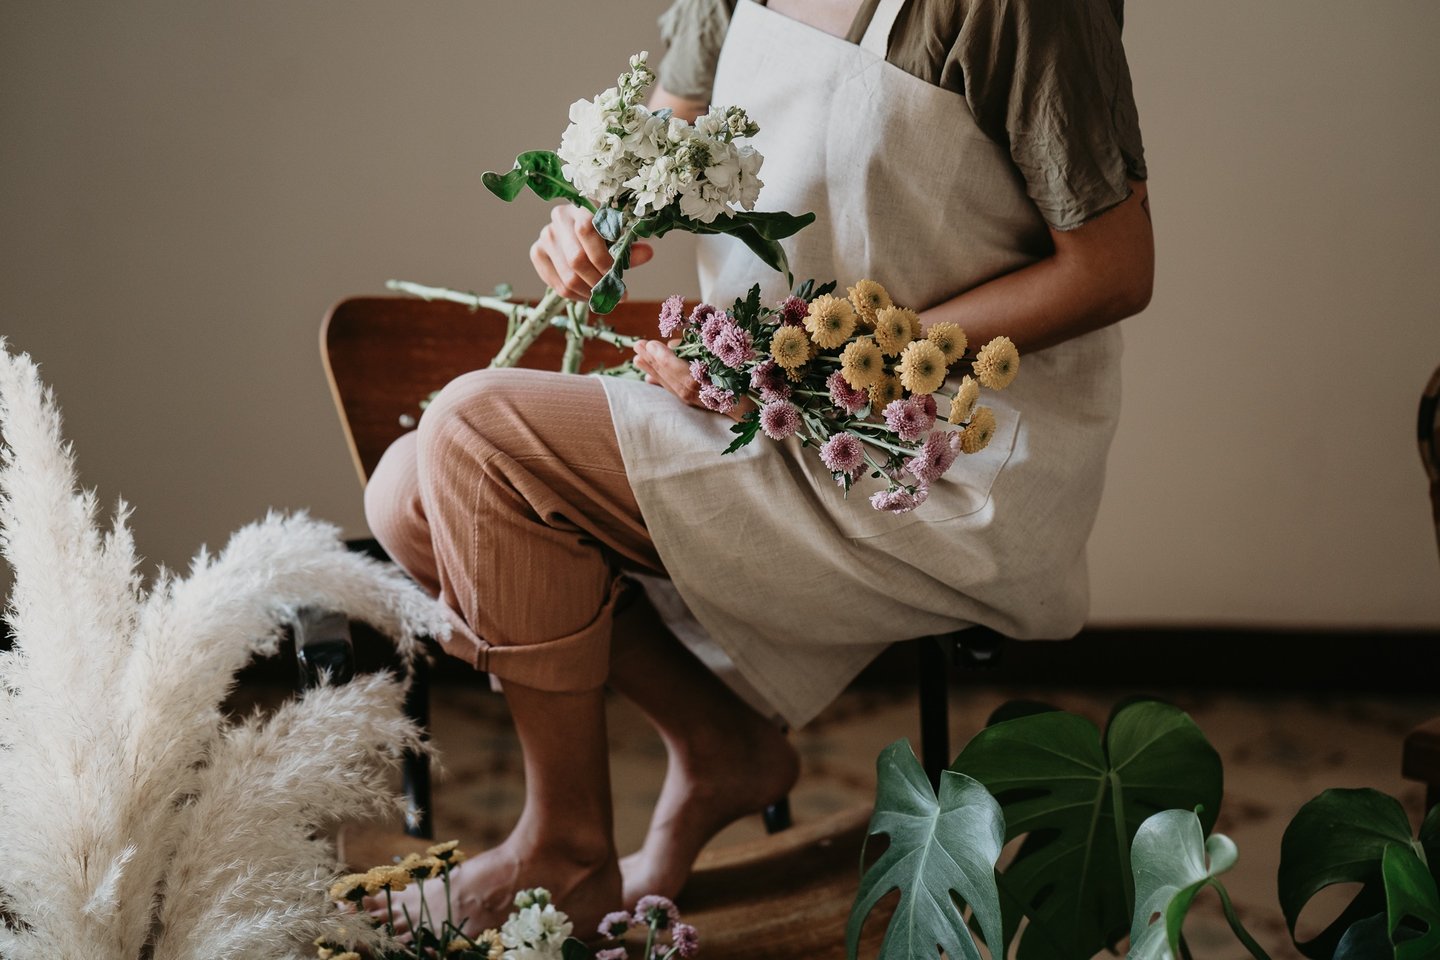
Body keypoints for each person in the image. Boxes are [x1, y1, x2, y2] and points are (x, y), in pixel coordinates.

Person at [363, 0, 1154, 935]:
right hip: (758, 394)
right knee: (411, 495)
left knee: (470, 433)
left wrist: (829, 355)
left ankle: (563, 847)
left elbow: (1113, 267)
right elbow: (667, 138)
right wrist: (596, 223)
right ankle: (716, 741)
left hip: (933, 448)